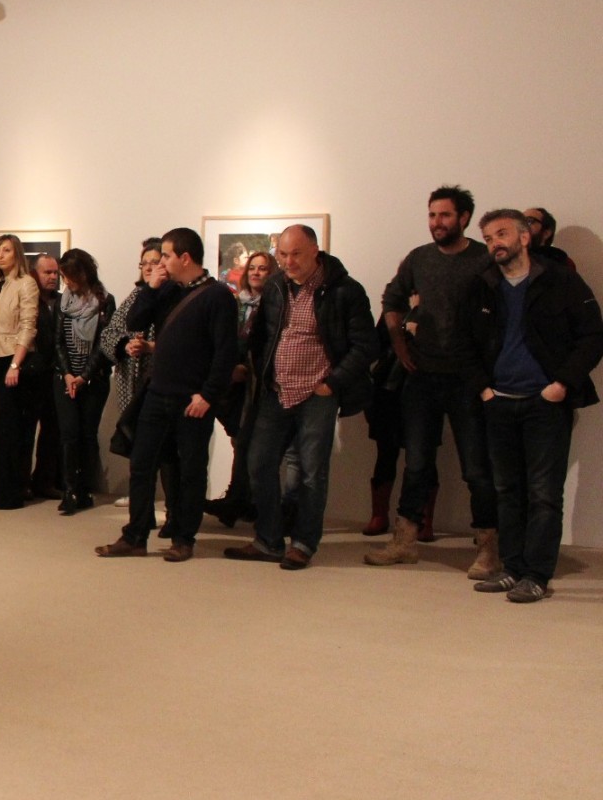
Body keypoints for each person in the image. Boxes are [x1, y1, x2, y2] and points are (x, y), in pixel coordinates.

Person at [466, 209, 603, 602]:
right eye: (488, 238)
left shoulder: (561, 280)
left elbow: (593, 335)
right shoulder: (483, 285)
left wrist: (562, 384)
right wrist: (483, 389)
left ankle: (537, 574)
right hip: (499, 403)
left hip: (545, 404)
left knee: (543, 492)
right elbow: (464, 341)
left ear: (525, 237)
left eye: (501, 234)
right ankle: (512, 569)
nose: (494, 244)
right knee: (507, 490)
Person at [224, 226, 376, 570]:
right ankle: (268, 540)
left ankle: (303, 544)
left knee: (311, 473)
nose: (288, 262)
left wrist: (332, 383)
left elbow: (366, 345)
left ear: (315, 251)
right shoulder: (276, 287)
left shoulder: (345, 290)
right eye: (283, 254)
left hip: (317, 393)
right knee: (259, 463)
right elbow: (263, 335)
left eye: (296, 254)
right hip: (276, 390)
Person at [367, 185, 498, 576]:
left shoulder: (484, 259)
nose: (436, 222)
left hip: (468, 379)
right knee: (417, 463)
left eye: (444, 215)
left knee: (477, 468)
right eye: (432, 215)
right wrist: (399, 343)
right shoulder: (419, 258)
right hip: (423, 378)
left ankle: (488, 547)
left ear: (464, 218)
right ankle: (404, 542)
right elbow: (392, 299)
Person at [96, 227, 238, 562]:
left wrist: (208, 395)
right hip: (157, 393)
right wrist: (151, 287)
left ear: (185, 258)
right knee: (142, 464)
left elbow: (225, 353)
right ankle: (135, 536)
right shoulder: (168, 290)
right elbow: (136, 320)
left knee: (190, 470)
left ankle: (184, 538)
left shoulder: (218, 296)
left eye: (167, 256)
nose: (161, 262)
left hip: (192, 400)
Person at [202, 249, 274, 527]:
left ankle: (239, 500)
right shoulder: (235, 303)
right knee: (239, 439)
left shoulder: (274, 305)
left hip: (259, 383)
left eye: (263, 268)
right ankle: (240, 500)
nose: (256, 272)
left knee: (248, 441)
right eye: (252, 267)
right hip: (232, 382)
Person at [98, 239, 171, 510]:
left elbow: (181, 341)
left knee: (165, 445)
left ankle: (171, 502)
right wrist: (125, 345)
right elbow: (109, 333)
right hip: (131, 379)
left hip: (162, 379)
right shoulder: (134, 296)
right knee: (137, 440)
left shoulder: (173, 295)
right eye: (145, 263)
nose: (149, 268)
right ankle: (140, 497)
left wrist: (151, 347)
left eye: (155, 262)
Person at [52, 248, 115, 514]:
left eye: (71, 276)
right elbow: (57, 342)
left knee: (87, 434)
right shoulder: (63, 302)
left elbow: (104, 343)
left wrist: (84, 376)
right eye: (64, 276)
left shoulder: (105, 301)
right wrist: (68, 374)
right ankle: (70, 490)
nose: (67, 282)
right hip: (64, 379)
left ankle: (85, 489)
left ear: (84, 273)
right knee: (68, 434)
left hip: (93, 380)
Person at [0, 234, 37, 510]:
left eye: (6, 250)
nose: (0, 255)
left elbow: (28, 325)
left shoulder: (26, 283)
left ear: (17, 254)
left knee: (9, 429)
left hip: (12, 360)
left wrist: (16, 363)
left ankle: (11, 493)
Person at [22, 253, 66, 501]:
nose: (52, 277)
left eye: (55, 272)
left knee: (52, 431)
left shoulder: (62, 302)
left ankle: (44, 481)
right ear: (34, 273)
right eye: (47, 272)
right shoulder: (29, 300)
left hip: (55, 375)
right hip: (31, 374)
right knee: (26, 431)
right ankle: (22, 482)